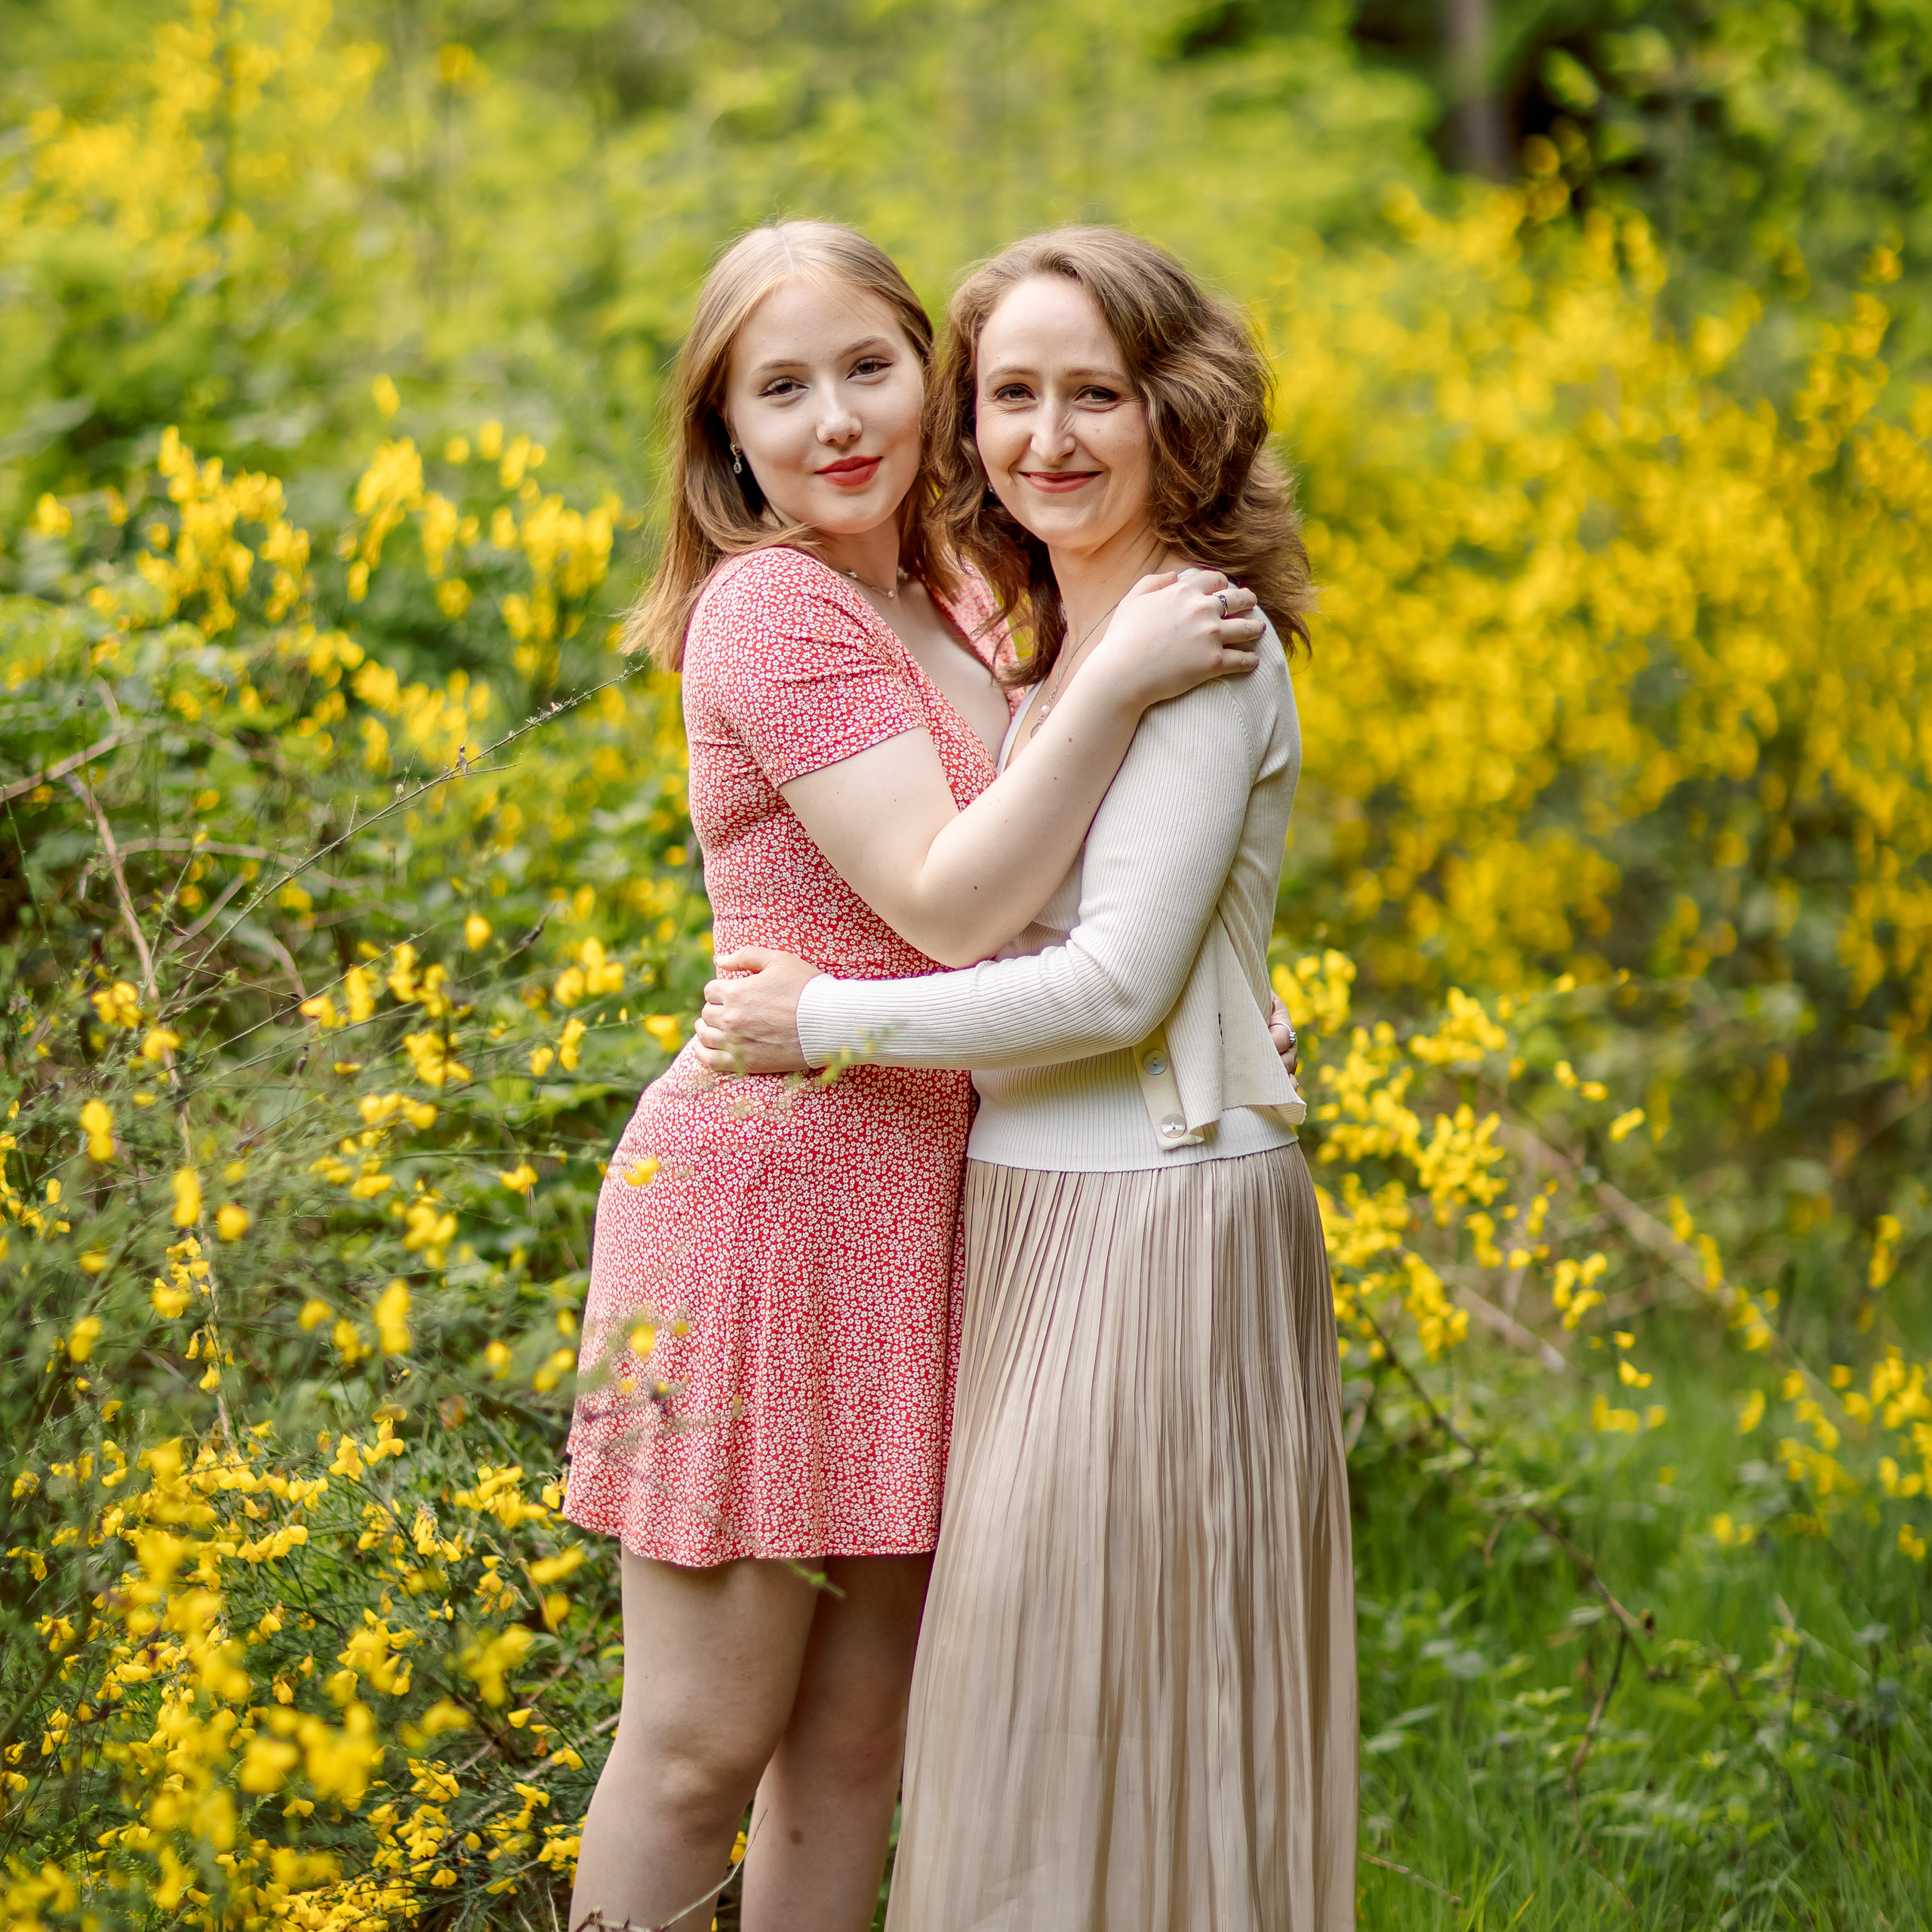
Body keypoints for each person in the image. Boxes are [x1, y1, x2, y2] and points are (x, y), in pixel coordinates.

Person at [563, 220, 1268, 1932]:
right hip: (762, 1199)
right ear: (724, 432)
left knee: (859, 1741)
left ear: (924, 379)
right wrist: (1114, 681)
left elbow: (1063, 883)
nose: (832, 420)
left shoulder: (953, 585)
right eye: (778, 389)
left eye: (867, 367)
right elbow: (951, 900)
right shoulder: (771, 610)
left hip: (928, 1204)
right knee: (695, 1741)